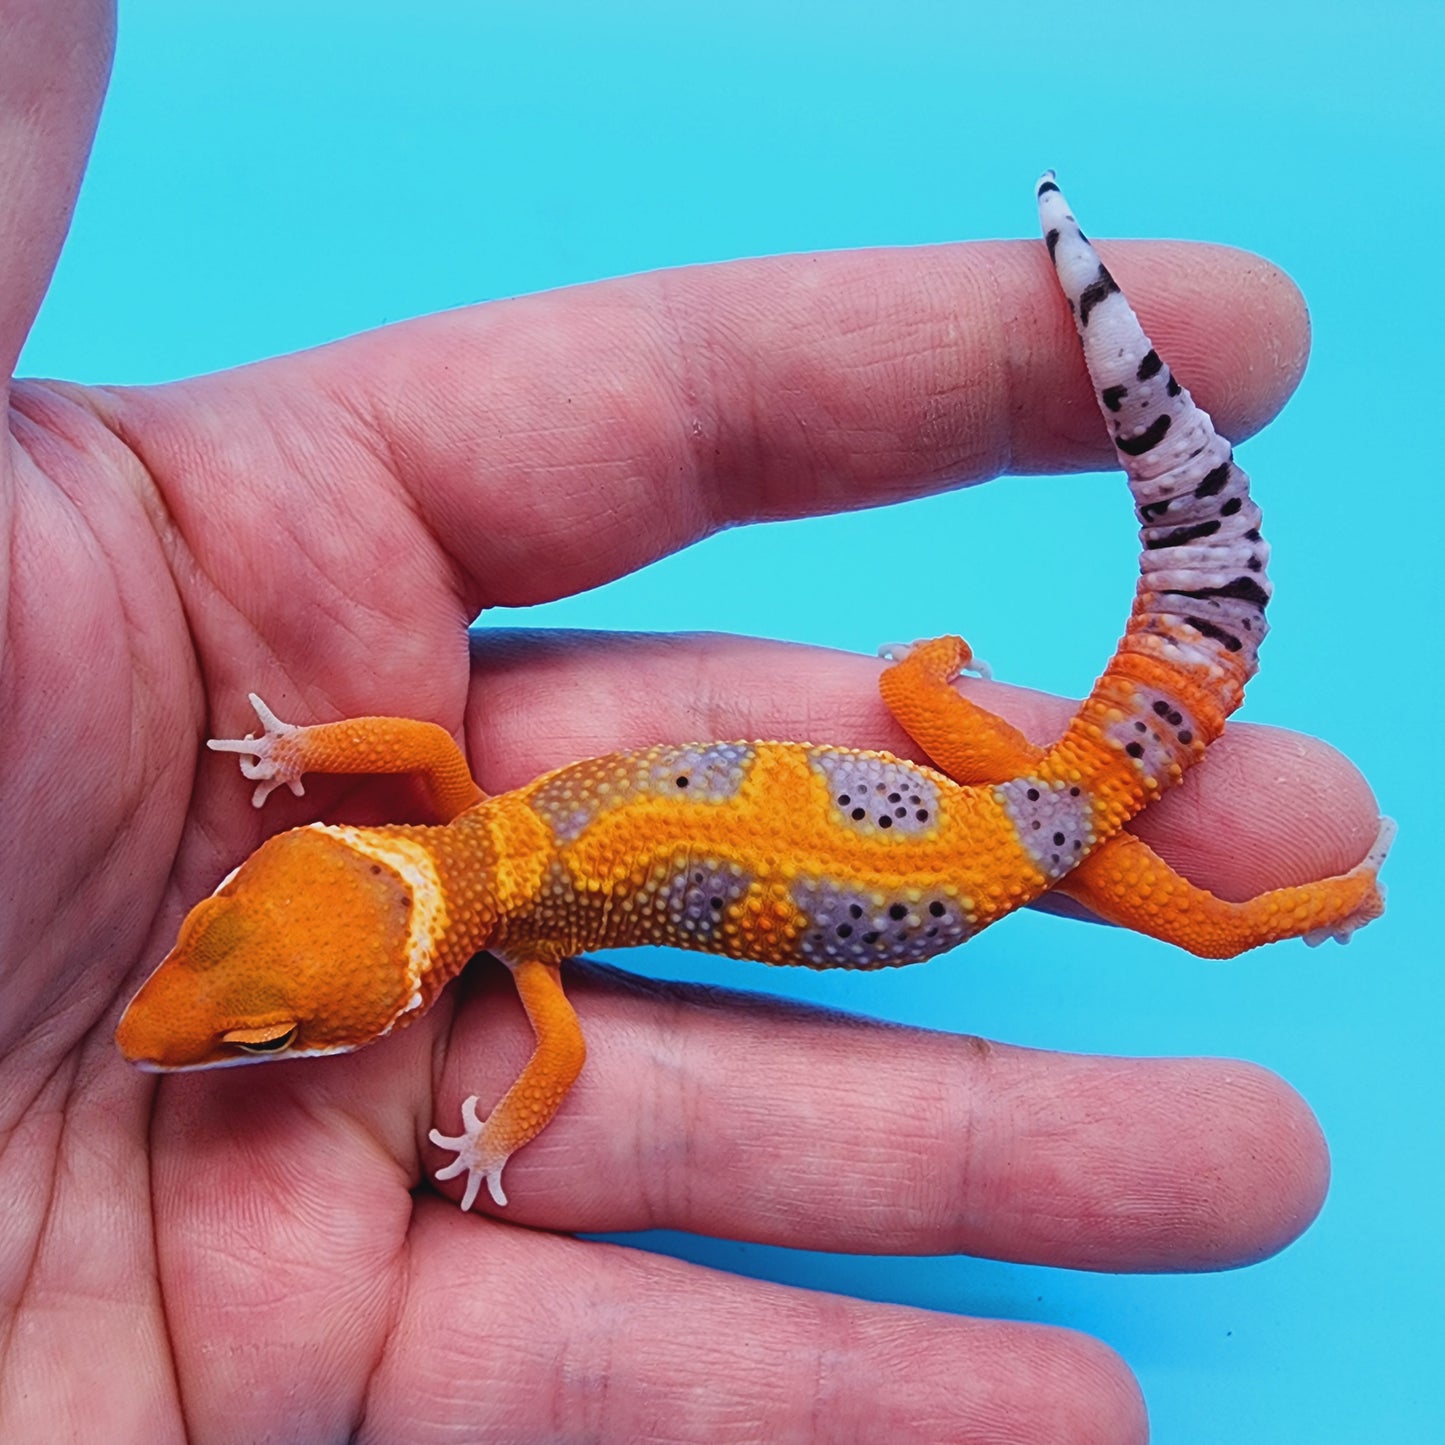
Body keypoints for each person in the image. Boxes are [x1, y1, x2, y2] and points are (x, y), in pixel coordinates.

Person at [0, 5, 1378, 1441]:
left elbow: (553, 1052)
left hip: (1006, 837)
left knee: (1206, 915)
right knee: (955, 721)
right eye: (249, 1017)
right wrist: (297, 752)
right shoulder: (475, 832)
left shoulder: (520, 925)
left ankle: (1335, 890)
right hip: (993, 814)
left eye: (240, 1004)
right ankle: (1298, 864)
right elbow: (422, 782)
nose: (179, 1019)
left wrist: (488, 1134)